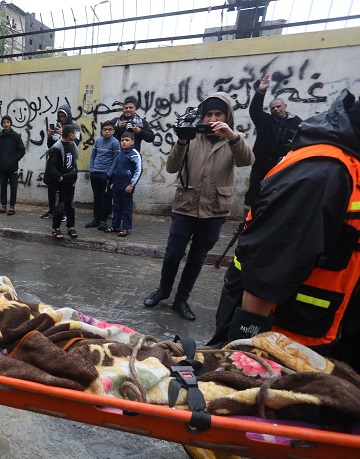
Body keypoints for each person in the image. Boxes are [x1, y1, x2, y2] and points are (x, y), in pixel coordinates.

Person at [209, 89, 360, 365]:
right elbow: (269, 268)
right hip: (286, 342)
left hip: (316, 331)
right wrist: (244, 355)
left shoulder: (344, 165)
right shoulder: (325, 171)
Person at [143, 92, 254, 321]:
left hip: (214, 211)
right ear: (202, 117)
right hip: (185, 206)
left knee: (196, 259)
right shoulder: (191, 136)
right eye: (208, 114)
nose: (212, 119)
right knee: (173, 254)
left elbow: (246, 160)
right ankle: (163, 290)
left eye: (218, 114)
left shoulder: (234, 138)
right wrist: (182, 140)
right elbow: (172, 167)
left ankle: (181, 300)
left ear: (227, 116)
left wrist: (232, 136)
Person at [243, 74, 302, 212]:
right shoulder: (265, 120)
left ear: (285, 106)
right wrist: (261, 91)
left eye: (278, 106)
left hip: (281, 167)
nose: (275, 109)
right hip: (260, 164)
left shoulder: (297, 122)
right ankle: (245, 222)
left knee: (278, 195)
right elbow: (254, 110)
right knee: (252, 194)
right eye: (272, 108)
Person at [41, 104, 81, 219]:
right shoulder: (57, 126)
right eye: (60, 116)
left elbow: (75, 143)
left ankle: (63, 213)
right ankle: (52, 210)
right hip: (56, 162)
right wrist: (50, 136)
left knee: (65, 191)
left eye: (64, 116)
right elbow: (51, 145)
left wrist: (63, 134)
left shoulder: (74, 127)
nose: (62, 118)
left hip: (66, 163)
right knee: (52, 188)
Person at [106, 131, 142, 237]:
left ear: (132, 142)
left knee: (126, 207)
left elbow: (138, 170)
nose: (124, 142)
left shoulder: (135, 154)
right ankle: (115, 226)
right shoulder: (120, 153)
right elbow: (117, 169)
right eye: (122, 140)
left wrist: (131, 185)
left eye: (127, 140)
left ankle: (126, 228)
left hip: (126, 184)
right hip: (117, 184)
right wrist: (113, 182)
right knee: (116, 206)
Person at [46, 124, 79, 239]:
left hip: (70, 179)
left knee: (70, 204)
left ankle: (70, 226)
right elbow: (50, 166)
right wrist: (59, 177)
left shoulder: (73, 145)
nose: (75, 135)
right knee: (59, 205)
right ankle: (55, 228)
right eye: (74, 133)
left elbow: (74, 160)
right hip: (59, 181)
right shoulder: (57, 147)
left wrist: (74, 172)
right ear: (71, 135)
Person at [85, 120, 120, 231]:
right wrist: (91, 170)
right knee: (96, 197)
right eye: (105, 129)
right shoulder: (98, 141)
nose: (107, 132)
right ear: (102, 131)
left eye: (109, 130)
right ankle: (96, 220)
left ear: (113, 131)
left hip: (106, 174)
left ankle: (103, 221)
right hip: (95, 172)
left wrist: (109, 174)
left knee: (104, 199)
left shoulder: (115, 143)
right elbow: (93, 156)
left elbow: (116, 160)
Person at [0, 115, 26, 215]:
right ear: (2, 124)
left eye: (8, 122)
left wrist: (14, 159)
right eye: (4, 122)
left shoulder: (15, 136)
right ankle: (3, 206)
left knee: (13, 187)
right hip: (3, 167)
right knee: (3, 187)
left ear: (11, 124)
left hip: (13, 167)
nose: (6, 124)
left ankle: (12, 207)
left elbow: (22, 150)